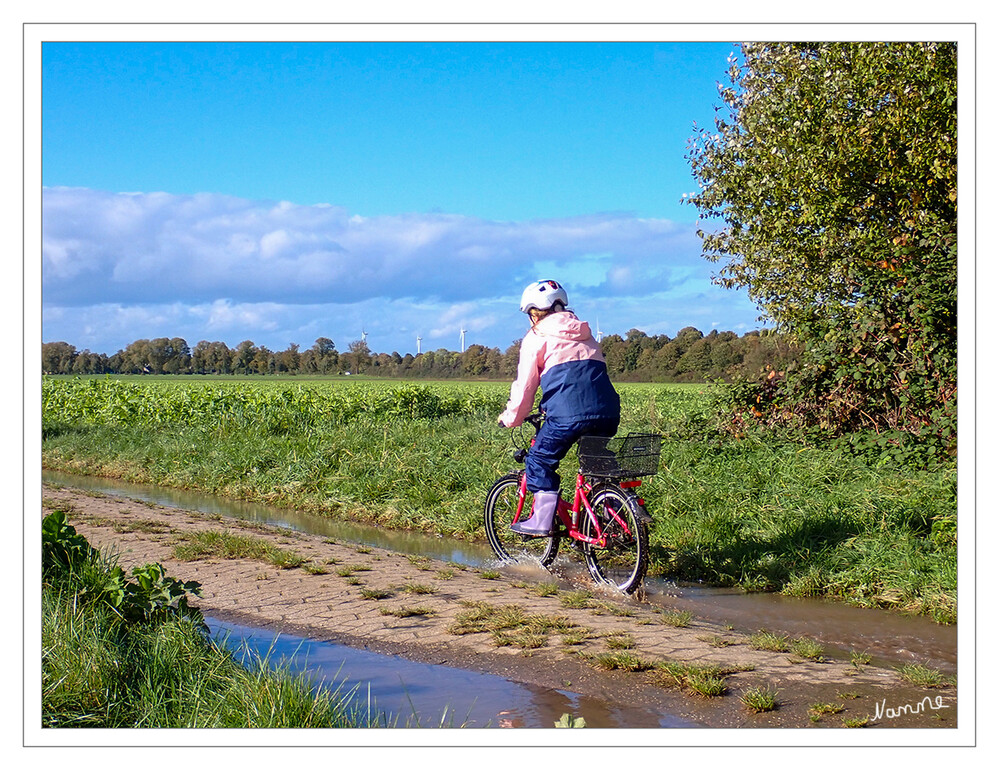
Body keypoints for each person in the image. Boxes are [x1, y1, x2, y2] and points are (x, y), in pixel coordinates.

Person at [498, 280, 620, 535]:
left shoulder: (537, 336)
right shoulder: (585, 332)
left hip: (568, 416)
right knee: (594, 459)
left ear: (534, 312)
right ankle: (612, 507)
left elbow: (525, 387)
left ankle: (542, 521)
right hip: (607, 412)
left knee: (539, 460)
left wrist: (512, 418)